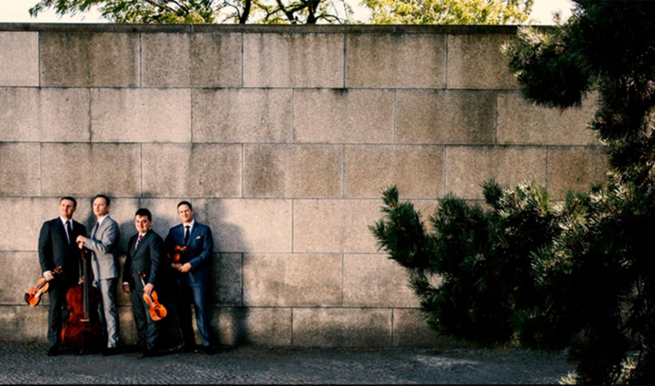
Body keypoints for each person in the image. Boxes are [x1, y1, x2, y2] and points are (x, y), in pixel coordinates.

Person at [38, 197, 87, 356]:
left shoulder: (80, 228)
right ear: (60, 207)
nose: (66, 209)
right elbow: (43, 249)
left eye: (69, 206)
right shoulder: (49, 225)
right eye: (64, 206)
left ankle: (68, 339)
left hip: (73, 276)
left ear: (74, 209)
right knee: (55, 309)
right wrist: (46, 270)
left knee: (70, 310)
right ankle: (54, 343)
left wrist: (83, 274)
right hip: (55, 275)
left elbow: (83, 255)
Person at [165, 201, 215, 355]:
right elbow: (163, 252)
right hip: (180, 278)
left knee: (201, 310)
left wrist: (191, 264)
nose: (184, 214)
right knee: (183, 311)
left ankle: (207, 344)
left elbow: (207, 252)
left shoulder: (204, 230)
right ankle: (189, 343)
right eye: (181, 212)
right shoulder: (174, 231)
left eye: (187, 211)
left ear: (192, 211)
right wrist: (172, 265)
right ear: (178, 214)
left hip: (198, 277)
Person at [75, 194, 120, 356]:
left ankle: (112, 344)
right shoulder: (95, 227)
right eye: (95, 204)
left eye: (101, 205)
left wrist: (85, 240)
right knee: (99, 310)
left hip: (107, 273)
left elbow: (105, 248)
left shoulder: (111, 224)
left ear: (108, 207)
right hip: (96, 274)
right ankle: (102, 341)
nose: (97, 207)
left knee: (108, 309)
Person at [122, 208, 164, 358]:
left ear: (150, 222)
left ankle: (152, 347)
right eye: (138, 222)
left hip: (148, 285)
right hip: (135, 284)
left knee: (151, 315)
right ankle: (143, 341)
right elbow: (129, 261)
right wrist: (126, 280)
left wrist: (151, 282)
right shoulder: (133, 239)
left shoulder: (154, 239)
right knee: (139, 315)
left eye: (144, 222)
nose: (141, 224)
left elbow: (156, 263)